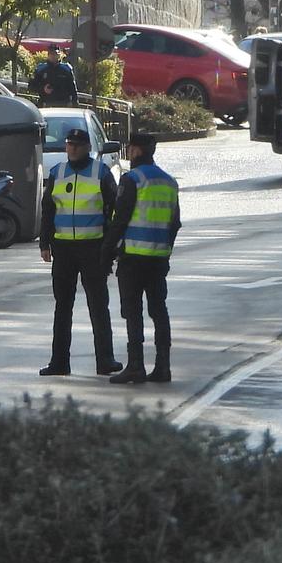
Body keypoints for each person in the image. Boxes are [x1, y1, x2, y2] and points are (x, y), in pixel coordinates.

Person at [37, 128, 120, 377]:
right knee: (62, 307)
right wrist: (45, 243)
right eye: (69, 144)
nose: (71, 148)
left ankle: (105, 360)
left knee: (98, 306)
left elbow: (114, 210)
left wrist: (111, 246)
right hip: (63, 250)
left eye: (76, 145)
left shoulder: (100, 172)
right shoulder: (57, 173)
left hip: (93, 248)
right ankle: (59, 362)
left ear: (87, 148)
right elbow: (48, 210)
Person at [105, 133, 180, 385]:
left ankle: (135, 366)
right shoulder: (169, 182)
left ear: (136, 151)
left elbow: (120, 220)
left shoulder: (133, 179)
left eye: (130, 148)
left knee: (133, 311)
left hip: (134, 257)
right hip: (158, 258)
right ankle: (163, 366)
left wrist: (105, 253)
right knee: (159, 311)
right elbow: (174, 223)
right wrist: (165, 250)